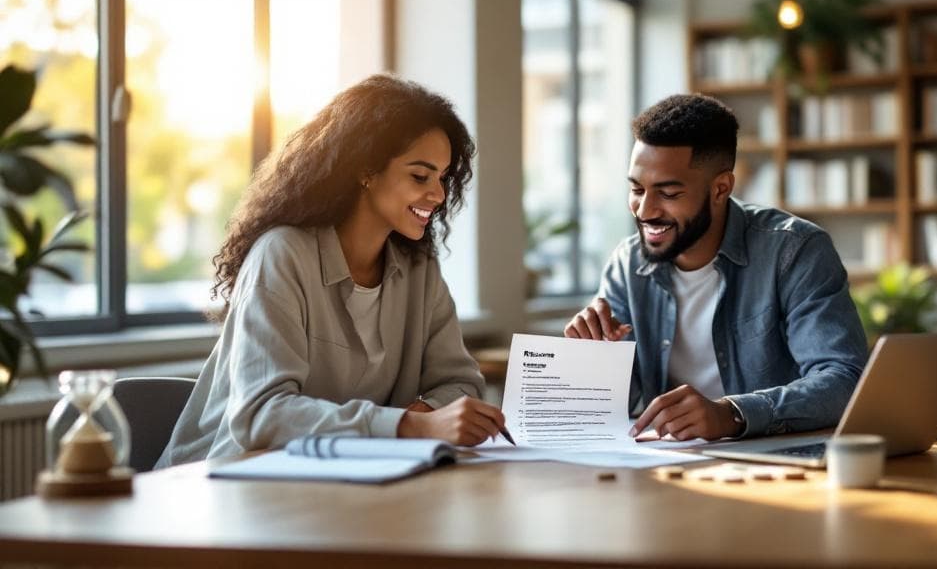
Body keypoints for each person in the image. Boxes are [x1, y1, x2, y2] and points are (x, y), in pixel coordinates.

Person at [157, 74, 506, 467]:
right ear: (366, 170)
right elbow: (262, 416)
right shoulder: (282, 254)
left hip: (342, 478)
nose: (439, 195)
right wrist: (410, 426)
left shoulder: (419, 270)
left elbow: (461, 382)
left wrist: (424, 415)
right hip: (224, 485)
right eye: (420, 176)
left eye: (442, 179)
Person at [564, 94, 868, 442]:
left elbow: (844, 378)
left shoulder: (794, 251)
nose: (645, 210)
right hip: (664, 463)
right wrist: (590, 356)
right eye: (636, 189)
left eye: (668, 193)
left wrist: (733, 414)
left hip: (771, 460)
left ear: (721, 188)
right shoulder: (627, 264)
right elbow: (616, 400)